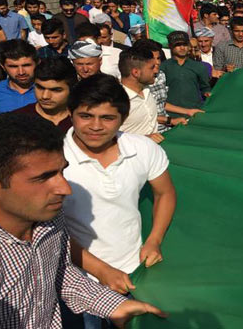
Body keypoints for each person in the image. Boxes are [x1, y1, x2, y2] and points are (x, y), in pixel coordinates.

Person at [0, 113, 167, 327]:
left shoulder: (49, 218)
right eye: (43, 178)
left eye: (62, 171)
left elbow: (59, 272)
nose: (65, 189)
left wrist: (113, 305)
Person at [58, 75, 176, 327]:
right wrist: (101, 271)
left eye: (107, 118)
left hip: (136, 274)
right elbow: (47, 231)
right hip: (76, 281)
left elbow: (165, 193)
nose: (95, 126)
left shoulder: (143, 148)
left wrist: (154, 240)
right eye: (86, 116)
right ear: (70, 113)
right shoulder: (54, 158)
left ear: (123, 118)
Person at [134, 39, 201, 133]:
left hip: (165, 129)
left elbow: (162, 104)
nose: (157, 62)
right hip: (147, 133)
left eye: (158, 58)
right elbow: (138, 115)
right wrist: (170, 120)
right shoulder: (133, 81)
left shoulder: (161, 75)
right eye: (152, 58)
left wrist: (188, 111)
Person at [13, 57, 76, 132]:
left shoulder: (83, 120)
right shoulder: (16, 120)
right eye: (40, 88)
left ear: (72, 89)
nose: (45, 96)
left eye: (55, 90)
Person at [161, 31, 211, 117]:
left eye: (185, 44)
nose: (182, 47)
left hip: (194, 112)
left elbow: (205, 87)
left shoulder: (199, 66)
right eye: (178, 45)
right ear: (170, 46)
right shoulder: (163, 67)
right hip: (171, 114)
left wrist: (207, 93)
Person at [0, 40, 37, 118]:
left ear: (37, 63)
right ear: (2, 66)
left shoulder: (49, 90)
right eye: (13, 66)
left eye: (26, 65)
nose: (21, 72)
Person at [119, 46, 163, 141]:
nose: (156, 71)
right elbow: (106, 135)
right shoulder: (115, 100)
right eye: (151, 68)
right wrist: (143, 139)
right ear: (136, 72)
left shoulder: (147, 90)